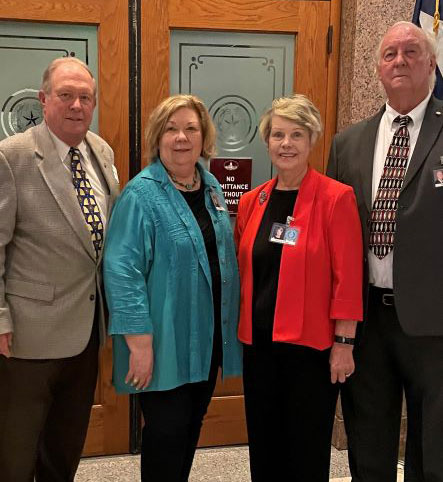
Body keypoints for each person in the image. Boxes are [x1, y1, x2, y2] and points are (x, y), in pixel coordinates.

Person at [103, 94, 242, 482]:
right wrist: (139, 343)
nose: (181, 137)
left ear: (203, 137)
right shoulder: (140, 195)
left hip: (207, 336)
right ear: (157, 137)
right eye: (171, 128)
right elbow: (121, 271)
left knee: (190, 428)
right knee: (165, 434)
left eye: (191, 128)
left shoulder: (209, 184)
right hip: (163, 342)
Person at [327, 21, 443, 482]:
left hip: (434, 322)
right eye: (390, 53)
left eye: (411, 51)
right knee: (368, 436)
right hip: (366, 316)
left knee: (433, 444)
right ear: (377, 67)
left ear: (432, 63)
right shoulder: (348, 143)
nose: (399, 60)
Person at [0, 57, 119, 481]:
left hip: (86, 330)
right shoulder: (12, 156)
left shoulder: (100, 151)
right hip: (27, 336)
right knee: (14, 454)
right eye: (66, 95)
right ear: (44, 99)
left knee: (65, 447)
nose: (76, 105)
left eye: (85, 97)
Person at [234, 94, 363, 482]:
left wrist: (344, 342)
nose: (286, 143)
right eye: (278, 135)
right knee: (264, 444)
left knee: (304, 449)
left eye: (296, 134)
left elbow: (348, 276)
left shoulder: (335, 198)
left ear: (312, 141)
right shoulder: (252, 201)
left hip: (311, 350)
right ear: (267, 141)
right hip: (259, 347)